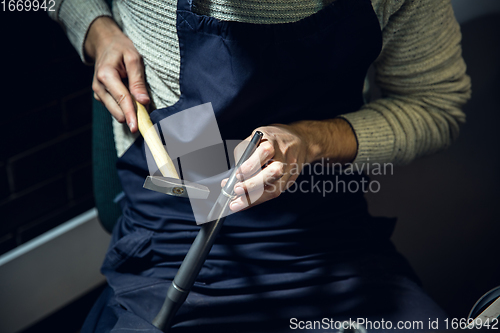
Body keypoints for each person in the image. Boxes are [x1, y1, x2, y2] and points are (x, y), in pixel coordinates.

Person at [50, 0, 471, 332]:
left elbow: (435, 104)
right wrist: (95, 27)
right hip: (173, 242)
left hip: (324, 238)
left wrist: (311, 140)